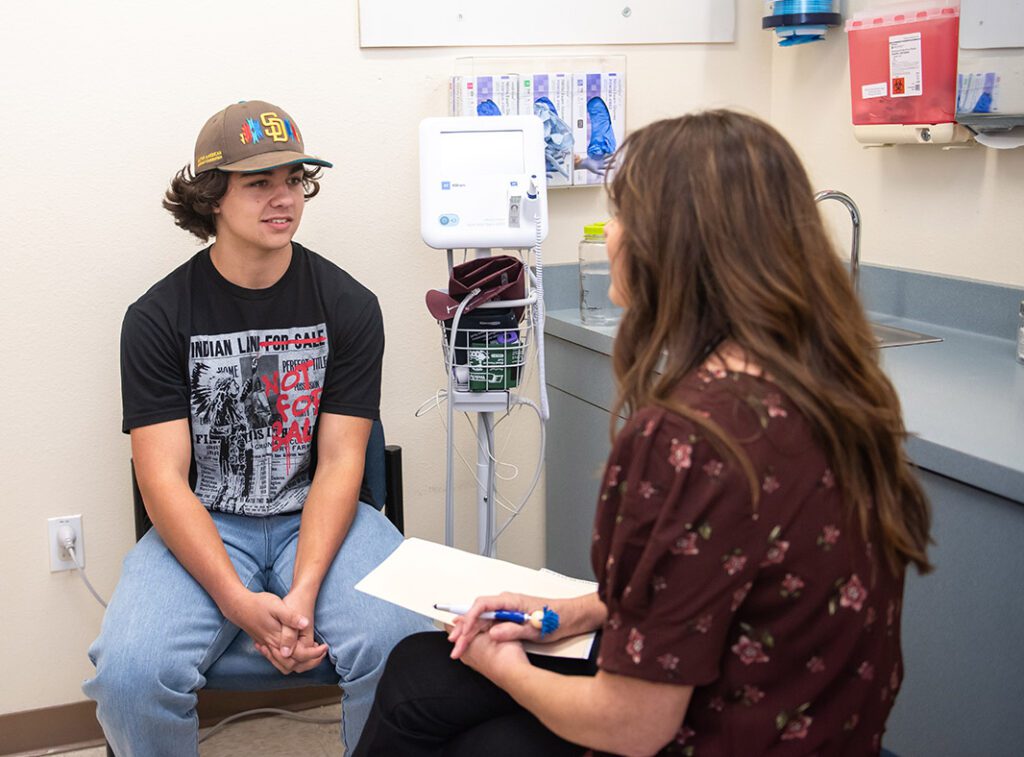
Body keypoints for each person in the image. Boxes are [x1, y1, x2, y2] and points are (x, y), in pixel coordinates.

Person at [353, 110, 933, 756]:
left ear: (672, 246)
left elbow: (633, 723)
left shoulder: (692, 438)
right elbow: (729, 576)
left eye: (620, 218)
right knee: (419, 671)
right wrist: (582, 609)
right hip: (814, 716)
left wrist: (505, 666)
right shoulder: (837, 388)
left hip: (732, 727)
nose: (610, 238)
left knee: (481, 737)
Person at [83, 99, 431, 756]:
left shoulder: (349, 305)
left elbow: (339, 462)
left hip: (321, 513)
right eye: (259, 182)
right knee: (129, 675)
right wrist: (236, 598)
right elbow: (160, 477)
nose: (285, 198)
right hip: (208, 518)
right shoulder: (157, 317)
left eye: (294, 179)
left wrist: (301, 588)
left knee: (403, 644)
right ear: (213, 196)